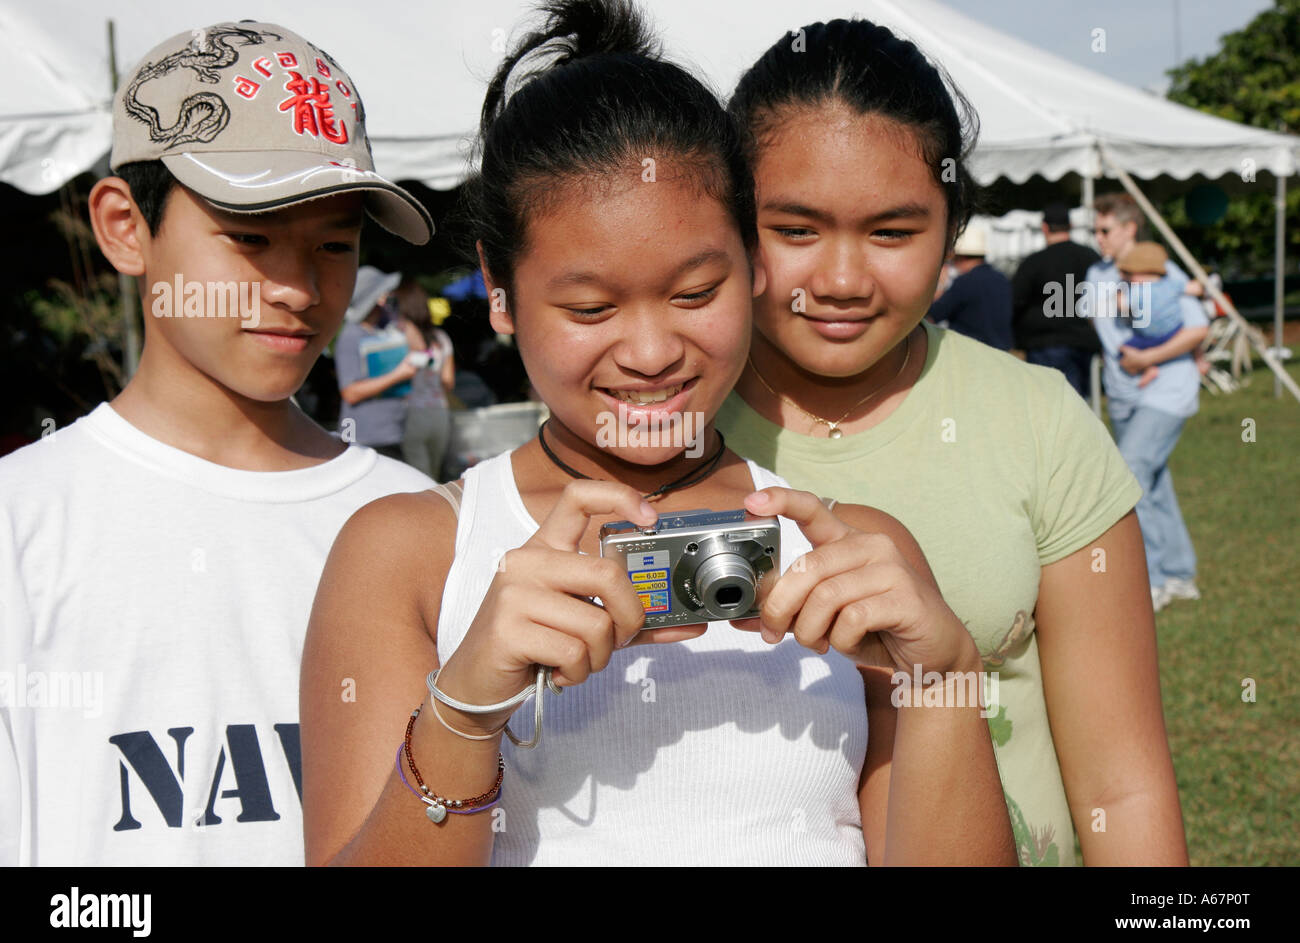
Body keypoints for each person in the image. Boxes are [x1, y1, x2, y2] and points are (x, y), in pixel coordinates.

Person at [300, 0, 1015, 867]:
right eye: (590, 307)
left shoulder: (852, 555)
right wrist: (465, 707)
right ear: (498, 287)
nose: (649, 353)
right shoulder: (410, 556)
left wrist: (942, 672)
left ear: (754, 264)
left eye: (693, 293)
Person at [718, 18, 1187, 865]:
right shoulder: (658, 430)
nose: (842, 279)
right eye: (794, 230)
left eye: (893, 232)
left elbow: (1124, 784)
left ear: (952, 228)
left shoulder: (1039, 420)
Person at [0, 21, 436, 866]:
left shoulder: (413, 517)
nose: (298, 288)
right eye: (250, 237)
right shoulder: (22, 522)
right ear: (126, 227)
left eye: (335, 245)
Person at [1086, 194, 1207, 612]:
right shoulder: (1096, 273)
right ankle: (1180, 573)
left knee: (1132, 475)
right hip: (1123, 395)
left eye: (1105, 230)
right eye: (1095, 230)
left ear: (1129, 229)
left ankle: (1151, 580)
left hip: (1164, 390)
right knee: (1154, 483)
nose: (1098, 238)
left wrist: (1148, 359)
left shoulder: (1161, 271)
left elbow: (1197, 329)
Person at [1011, 200, 1101, 397]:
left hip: (1045, 342)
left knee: (1049, 403)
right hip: (1084, 341)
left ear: (1044, 227)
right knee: (1078, 402)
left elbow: (1016, 299)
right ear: (1071, 226)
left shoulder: (1034, 262)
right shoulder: (1091, 257)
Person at [334, 266, 420, 460]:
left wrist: (400, 317)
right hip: (367, 438)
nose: (388, 296)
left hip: (392, 432)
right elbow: (351, 393)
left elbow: (419, 347)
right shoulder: (351, 336)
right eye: (384, 293)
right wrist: (399, 375)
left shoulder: (387, 325)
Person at [395, 279, 457, 480]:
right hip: (439, 412)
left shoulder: (398, 337)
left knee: (418, 478)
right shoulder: (441, 338)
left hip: (410, 413)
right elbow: (448, 381)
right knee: (435, 476)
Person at [927, 225, 1014, 349]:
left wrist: (940, 284)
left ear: (960, 257)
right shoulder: (1002, 279)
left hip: (972, 351)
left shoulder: (964, 282)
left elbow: (933, 315)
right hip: (1001, 352)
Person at [1115, 242, 1185, 388]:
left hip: (1148, 336)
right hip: (1175, 330)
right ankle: (1199, 359)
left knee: (1123, 351)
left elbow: (1122, 306)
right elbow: (1192, 288)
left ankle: (1148, 369)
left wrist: (1118, 293)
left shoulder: (1137, 291)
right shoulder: (1170, 283)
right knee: (1193, 343)